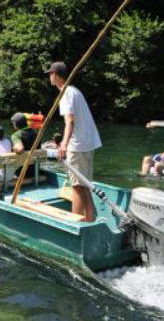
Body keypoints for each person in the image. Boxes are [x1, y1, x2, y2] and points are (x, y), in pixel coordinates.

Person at [48, 61, 101, 221]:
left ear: (56, 75)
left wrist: (63, 144)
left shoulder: (66, 93)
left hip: (78, 145)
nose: (49, 77)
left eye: (51, 73)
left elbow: (70, 121)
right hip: (87, 143)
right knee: (84, 185)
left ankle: (75, 221)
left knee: (77, 186)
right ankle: (90, 219)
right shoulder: (73, 91)